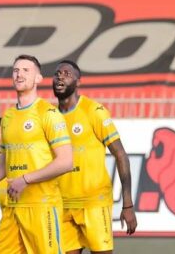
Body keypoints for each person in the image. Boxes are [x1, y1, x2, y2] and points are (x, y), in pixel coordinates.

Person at [0, 55, 73, 254]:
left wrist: (25, 179)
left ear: (38, 78)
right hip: (12, 209)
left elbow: (66, 161)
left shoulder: (48, 113)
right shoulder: (8, 117)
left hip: (41, 206)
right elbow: (4, 164)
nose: (19, 74)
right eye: (16, 70)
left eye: (26, 70)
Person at [52, 60, 137, 253]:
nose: (60, 77)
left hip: (94, 203)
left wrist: (128, 204)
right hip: (62, 205)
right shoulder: (49, 117)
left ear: (78, 82)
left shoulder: (94, 111)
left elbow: (121, 155)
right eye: (57, 73)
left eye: (66, 73)